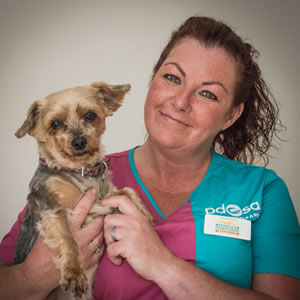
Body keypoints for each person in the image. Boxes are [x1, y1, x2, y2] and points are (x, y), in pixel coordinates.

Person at [0, 16, 300, 300]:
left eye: (207, 94)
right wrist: (30, 279)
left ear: (231, 115)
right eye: (172, 78)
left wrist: (162, 265)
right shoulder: (81, 177)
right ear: (152, 80)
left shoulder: (263, 191)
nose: (180, 102)